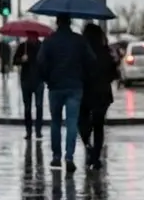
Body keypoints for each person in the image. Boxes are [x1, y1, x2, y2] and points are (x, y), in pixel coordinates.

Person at [36, 14, 98, 171]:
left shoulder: (49, 41)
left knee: (55, 122)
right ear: (70, 22)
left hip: (55, 86)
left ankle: (56, 157)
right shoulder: (79, 41)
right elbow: (91, 60)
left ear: (57, 22)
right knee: (72, 121)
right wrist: (82, 76)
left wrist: (47, 79)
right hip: (75, 86)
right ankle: (69, 156)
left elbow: (40, 62)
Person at [79, 23, 119, 169]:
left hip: (84, 92)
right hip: (102, 93)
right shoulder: (105, 51)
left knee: (82, 121)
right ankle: (95, 156)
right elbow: (113, 75)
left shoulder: (81, 51)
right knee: (99, 125)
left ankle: (88, 145)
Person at [12, 31, 44, 138]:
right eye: (30, 36)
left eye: (34, 36)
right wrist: (22, 59)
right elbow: (14, 61)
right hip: (26, 80)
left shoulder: (42, 46)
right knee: (27, 107)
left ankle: (38, 130)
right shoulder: (23, 46)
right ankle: (28, 131)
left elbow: (47, 62)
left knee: (39, 106)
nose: (32, 38)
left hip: (39, 80)